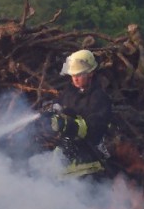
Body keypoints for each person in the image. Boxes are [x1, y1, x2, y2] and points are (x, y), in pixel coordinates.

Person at [46, 49, 113, 178]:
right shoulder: (70, 92)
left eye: (79, 74)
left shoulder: (99, 97)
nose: (75, 79)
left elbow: (96, 127)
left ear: (90, 73)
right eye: (73, 75)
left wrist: (71, 125)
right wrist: (51, 113)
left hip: (88, 157)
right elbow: (59, 105)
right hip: (65, 151)